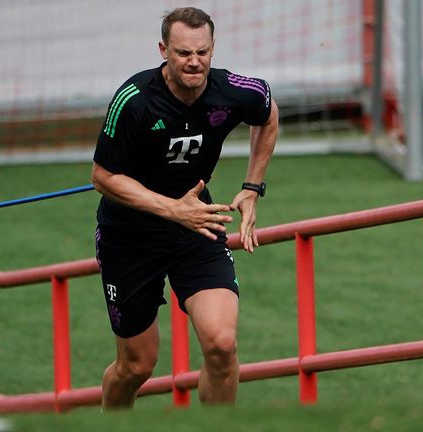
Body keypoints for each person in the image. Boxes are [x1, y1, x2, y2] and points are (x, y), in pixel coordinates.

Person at [92, 7, 278, 409]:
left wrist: (251, 187)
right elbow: (103, 177)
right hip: (129, 236)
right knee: (137, 365)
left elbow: (268, 113)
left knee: (222, 345)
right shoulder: (134, 100)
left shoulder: (235, 90)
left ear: (213, 49)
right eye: (182, 53)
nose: (193, 62)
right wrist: (172, 209)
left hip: (196, 224)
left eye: (201, 52)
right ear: (163, 50)